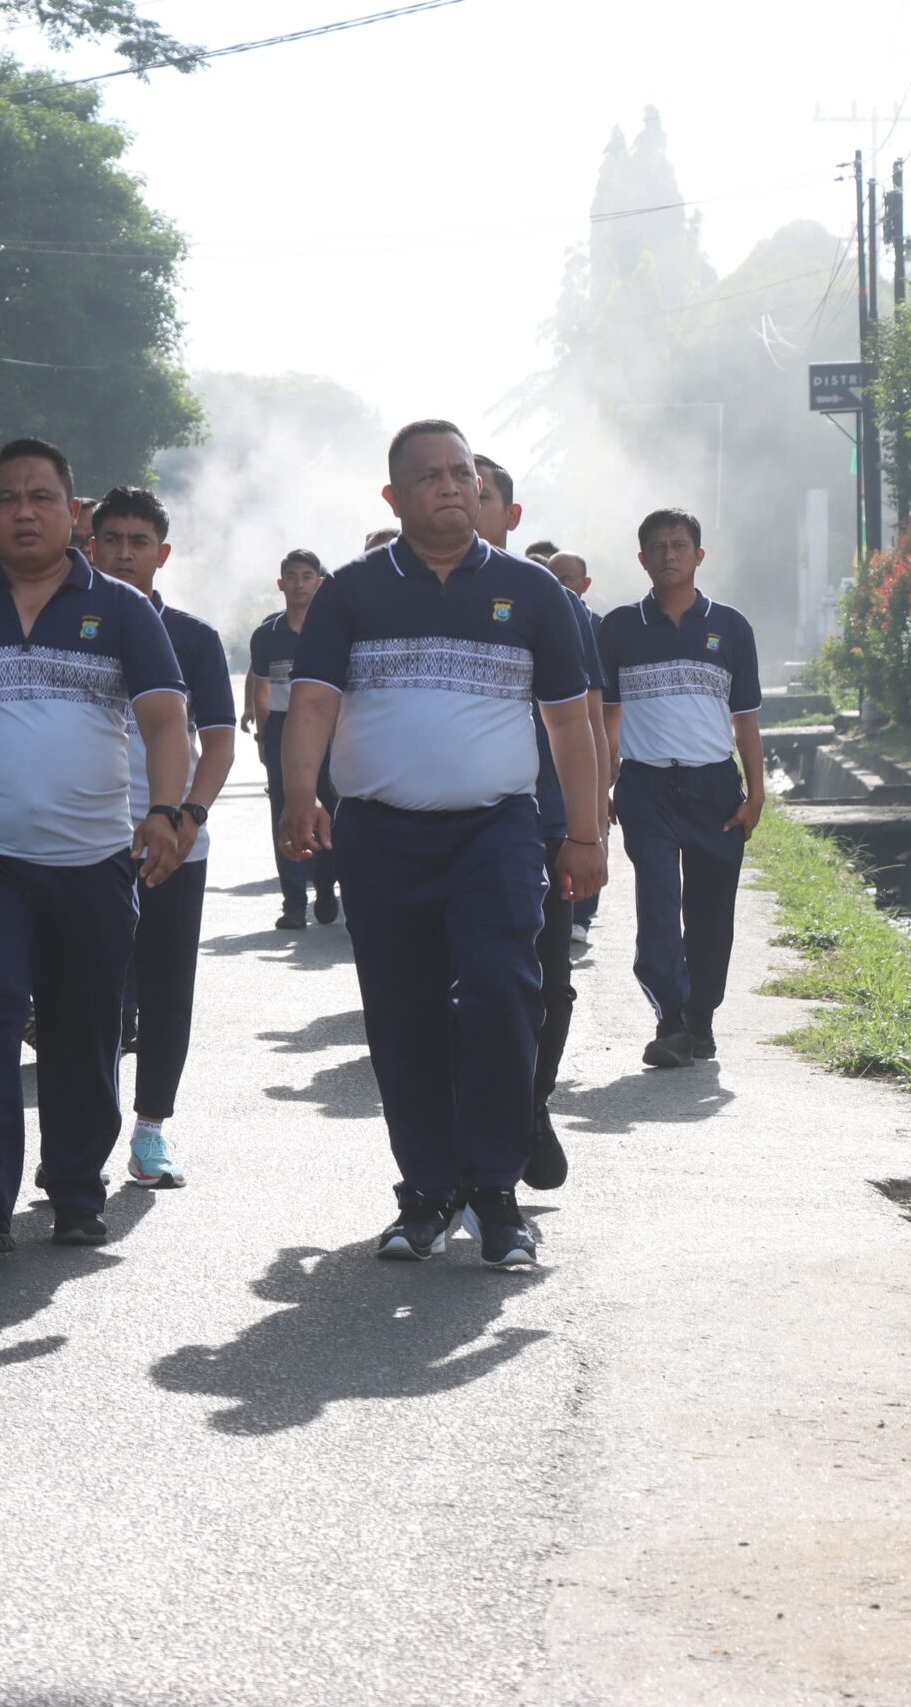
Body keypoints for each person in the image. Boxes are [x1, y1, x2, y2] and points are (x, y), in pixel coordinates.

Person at [281, 421, 607, 1269]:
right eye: (431, 476)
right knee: (404, 1011)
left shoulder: (533, 593)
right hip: (380, 834)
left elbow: (571, 724)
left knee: (504, 991)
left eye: (463, 472)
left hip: (494, 830)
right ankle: (426, 1191)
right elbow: (312, 703)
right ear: (393, 497)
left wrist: (586, 833)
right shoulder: (351, 594)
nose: (452, 486)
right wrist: (297, 798)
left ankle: (496, 1194)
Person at [0, 438, 192, 1255]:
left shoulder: (123, 611)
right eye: (8, 498)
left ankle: (76, 1186)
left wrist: (167, 811)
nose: (25, 510)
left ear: (74, 513)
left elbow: (166, 722)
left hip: (95, 861)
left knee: (83, 1022)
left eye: (42, 496)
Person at [89, 485, 235, 1189]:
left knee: (166, 987)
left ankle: (151, 1132)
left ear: (162, 552)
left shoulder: (195, 638)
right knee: (89, 992)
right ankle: (88, 1130)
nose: (123, 553)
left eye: (138, 541)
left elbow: (219, 746)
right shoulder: (69, 625)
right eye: (110, 538)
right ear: (91, 545)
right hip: (83, 840)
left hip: (174, 845)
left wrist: (186, 815)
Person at [475, 460, 605, 1194]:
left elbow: (584, 713)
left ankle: (530, 1103)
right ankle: (469, 1144)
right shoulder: (416, 595)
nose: (464, 500)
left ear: (509, 513)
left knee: (549, 987)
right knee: (472, 988)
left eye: (482, 492)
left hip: (546, 820)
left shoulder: (554, 602)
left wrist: (590, 825)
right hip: (462, 826)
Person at [596, 507, 766, 1070]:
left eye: (680, 544)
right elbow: (607, 717)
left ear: (698, 554)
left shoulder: (732, 628)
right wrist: (603, 784)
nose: (669, 555)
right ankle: (670, 1018)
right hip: (646, 788)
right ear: (642, 559)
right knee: (659, 906)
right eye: (658, 547)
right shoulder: (618, 629)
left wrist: (756, 794)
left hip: (714, 788)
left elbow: (745, 720)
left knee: (711, 912)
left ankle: (701, 1019)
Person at [243, 549, 340, 930]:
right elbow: (262, 692)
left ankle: (327, 885)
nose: (299, 584)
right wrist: (265, 738)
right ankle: (294, 903)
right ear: (280, 584)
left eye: (306, 576)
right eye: (292, 577)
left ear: (318, 583)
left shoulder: (333, 631)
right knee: (286, 810)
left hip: (328, 728)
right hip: (283, 728)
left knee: (332, 808)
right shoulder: (266, 636)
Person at [549, 549, 603, 944]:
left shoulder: (592, 624)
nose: (560, 585)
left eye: (568, 579)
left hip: (557, 783)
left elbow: (592, 716)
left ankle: (581, 915)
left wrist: (595, 817)